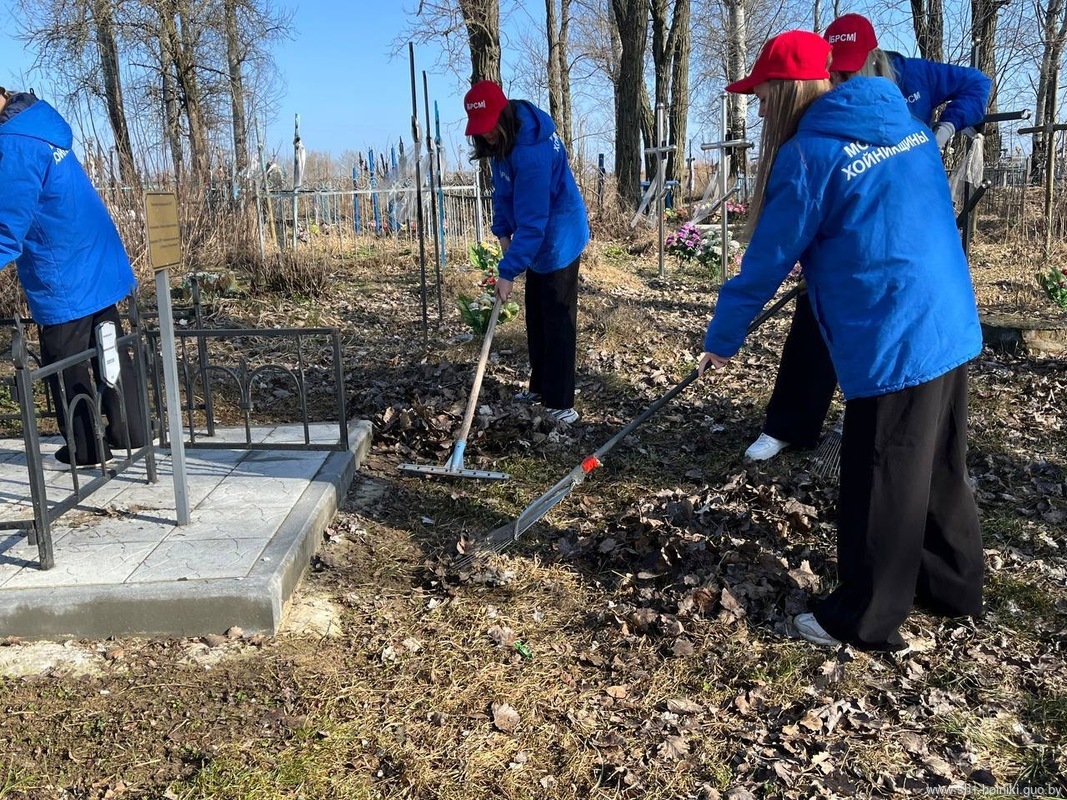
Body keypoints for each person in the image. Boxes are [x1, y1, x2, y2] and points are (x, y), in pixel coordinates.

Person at [699, 31, 984, 651]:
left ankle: (863, 618)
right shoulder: (908, 126)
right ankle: (952, 587)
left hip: (893, 333)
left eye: (762, 98)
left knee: (882, 477)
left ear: (785, 92)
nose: (760, 111)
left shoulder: (809, 154)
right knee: (938, 465)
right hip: (949, 319)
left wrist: (723, 336)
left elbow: (765, 261)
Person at [743, 12, 992, 462]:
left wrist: (946, 127)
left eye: (849, 69)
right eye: (834, 72)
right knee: (817, 317)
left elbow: (976, 82)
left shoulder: (914, 74)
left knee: (900, 329)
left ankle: (878, 415)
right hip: (845, 221)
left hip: (903, 220)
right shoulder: (823, 107)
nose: (840, 80)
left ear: (874, 57)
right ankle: (791, 423)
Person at [0, 87, 145, 467]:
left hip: (64, 270)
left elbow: (6, 228)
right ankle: (132, 431)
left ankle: (86, 448)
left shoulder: (15, 144)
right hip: (98, 258)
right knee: (110, 346)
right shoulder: (40, 124)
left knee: (65, 360)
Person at [463, 79, 589, 425]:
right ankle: (540, 387)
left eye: (490, 126)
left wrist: (508, 271)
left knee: (557, 316)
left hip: (560, 232)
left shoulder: (530, 152)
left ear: (503, 116)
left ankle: (561, 402)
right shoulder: (502, 143)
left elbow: (534, 222)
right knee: (536, 312)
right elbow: (503, 192)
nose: (486, 135)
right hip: (536, 234)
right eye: (480, 129)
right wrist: (503, 233)